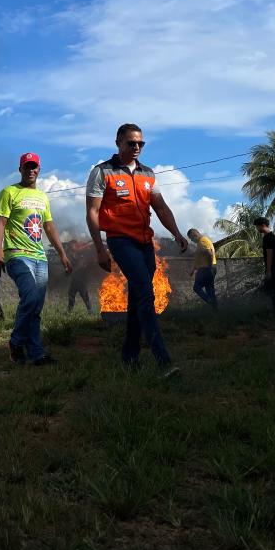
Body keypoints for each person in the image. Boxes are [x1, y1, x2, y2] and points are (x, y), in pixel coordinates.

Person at [85, 123, 188, 373]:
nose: (137, 147)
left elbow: (160, 207)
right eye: (131, 143)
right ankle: (163, 360)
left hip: (144, 242)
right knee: (145, 292)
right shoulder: (102, 172)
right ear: (118, 143)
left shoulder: (148, 174)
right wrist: (100, 248)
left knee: (138, 298)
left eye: (141, 143)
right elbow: (92, 212)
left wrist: (176, 233)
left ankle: (129, 357)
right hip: (120, 241)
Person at [0, 152, 72, 366]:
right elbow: (0, 223)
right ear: (20, 169)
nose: (30, 170)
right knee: (30, 296)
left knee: (36, 306)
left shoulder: (43, 197)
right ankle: (16, 342)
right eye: (27, 166)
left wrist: (63, 254)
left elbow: (49, 227)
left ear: (39, 169)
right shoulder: (9, 192)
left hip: (39, 256)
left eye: (34, 166)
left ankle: (36, 354)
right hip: (17, 254)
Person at [253, 217, 275, 314]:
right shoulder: (271, 236)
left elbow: (270, 254)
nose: (257, 229)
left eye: (257, 227)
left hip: (273, 268)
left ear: (263, 225)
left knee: (271, 290)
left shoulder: (268, 238)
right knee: (273, 290)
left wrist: (269, 271)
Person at [188, 228, 217, 309]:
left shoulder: (203, 241)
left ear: (194, 235)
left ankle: (210, 301)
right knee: (210, 290)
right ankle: (215, 309)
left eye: (191, 238)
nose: (191, 240)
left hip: (206, 268)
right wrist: (193, 270)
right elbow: (200, 258)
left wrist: (209, 267)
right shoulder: (201, 242)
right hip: (209, 268)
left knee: (196, 287)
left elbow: (209, 253)